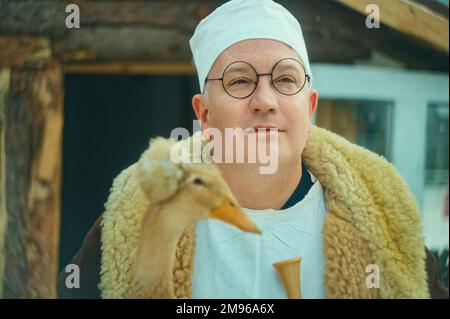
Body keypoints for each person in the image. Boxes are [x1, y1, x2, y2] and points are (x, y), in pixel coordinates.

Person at [58, 0, 448, 298]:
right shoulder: (133, 220)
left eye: (285, 79)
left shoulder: (382, 224)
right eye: (240, 81)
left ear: (309, 107)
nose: (265, 99)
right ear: (205, 114)